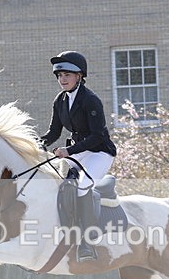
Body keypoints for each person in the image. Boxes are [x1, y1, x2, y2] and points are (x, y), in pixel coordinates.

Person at [39, 51, 117, 262]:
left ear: (79, 76)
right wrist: (36, 144)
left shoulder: (91, 100)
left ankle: (87, 242)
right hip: (79, 152)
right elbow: (53, 133)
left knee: (82, 186)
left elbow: (97, 136)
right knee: (61, 187)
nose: (62, 79)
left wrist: (69, 151)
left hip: (99, 152)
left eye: (67, 75)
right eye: (59, 75)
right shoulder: (60, 100)